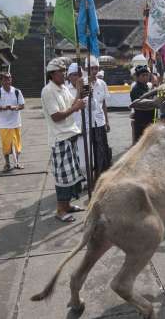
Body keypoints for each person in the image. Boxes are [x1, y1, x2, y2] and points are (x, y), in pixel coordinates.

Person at [41, 57, 87, 222]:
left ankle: (67, 205)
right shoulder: (48, 91)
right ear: (52, 74)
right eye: (60, 71)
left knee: (72, 174)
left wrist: (80, 90)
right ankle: (60, 210)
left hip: (70, 134)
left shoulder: (63, 88)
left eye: (64, 71)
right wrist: (75, 107)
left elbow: (72, 104)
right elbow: (56, 116)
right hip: (60, 137)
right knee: (63, 177)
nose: (63, 74)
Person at [85, 56, 112, 181]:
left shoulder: (102, 84)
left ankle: (101, 175)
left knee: (101, 149)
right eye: (91, 68)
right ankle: (89, 176)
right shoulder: (83, 84)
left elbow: (104, 104)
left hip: (100, 121)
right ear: (87, 69)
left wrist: (107, 121)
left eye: (96, 68)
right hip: (87, 122)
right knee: (90, 150)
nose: (94, 71)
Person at [0, 73, 25, 172]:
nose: (7, 82)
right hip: (4, 124)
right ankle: (7, 163)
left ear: (11, 80)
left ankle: (17, 162)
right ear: (1, 81)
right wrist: (4, 107)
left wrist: (16, 107)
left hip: (16, 122)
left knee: (17, 144)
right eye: (5, 80)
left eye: (9, 79)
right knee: (6, 144)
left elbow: (22, 105)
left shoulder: (17, 92)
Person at [129, 65, 154, 143]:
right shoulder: (135, 89)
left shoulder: (147, 87)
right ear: (137, 77)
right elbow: (140, 104)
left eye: (147, 75)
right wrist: (155, 103)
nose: (145, 77)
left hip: (150, 120)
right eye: (143, 75)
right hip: (141, 122)